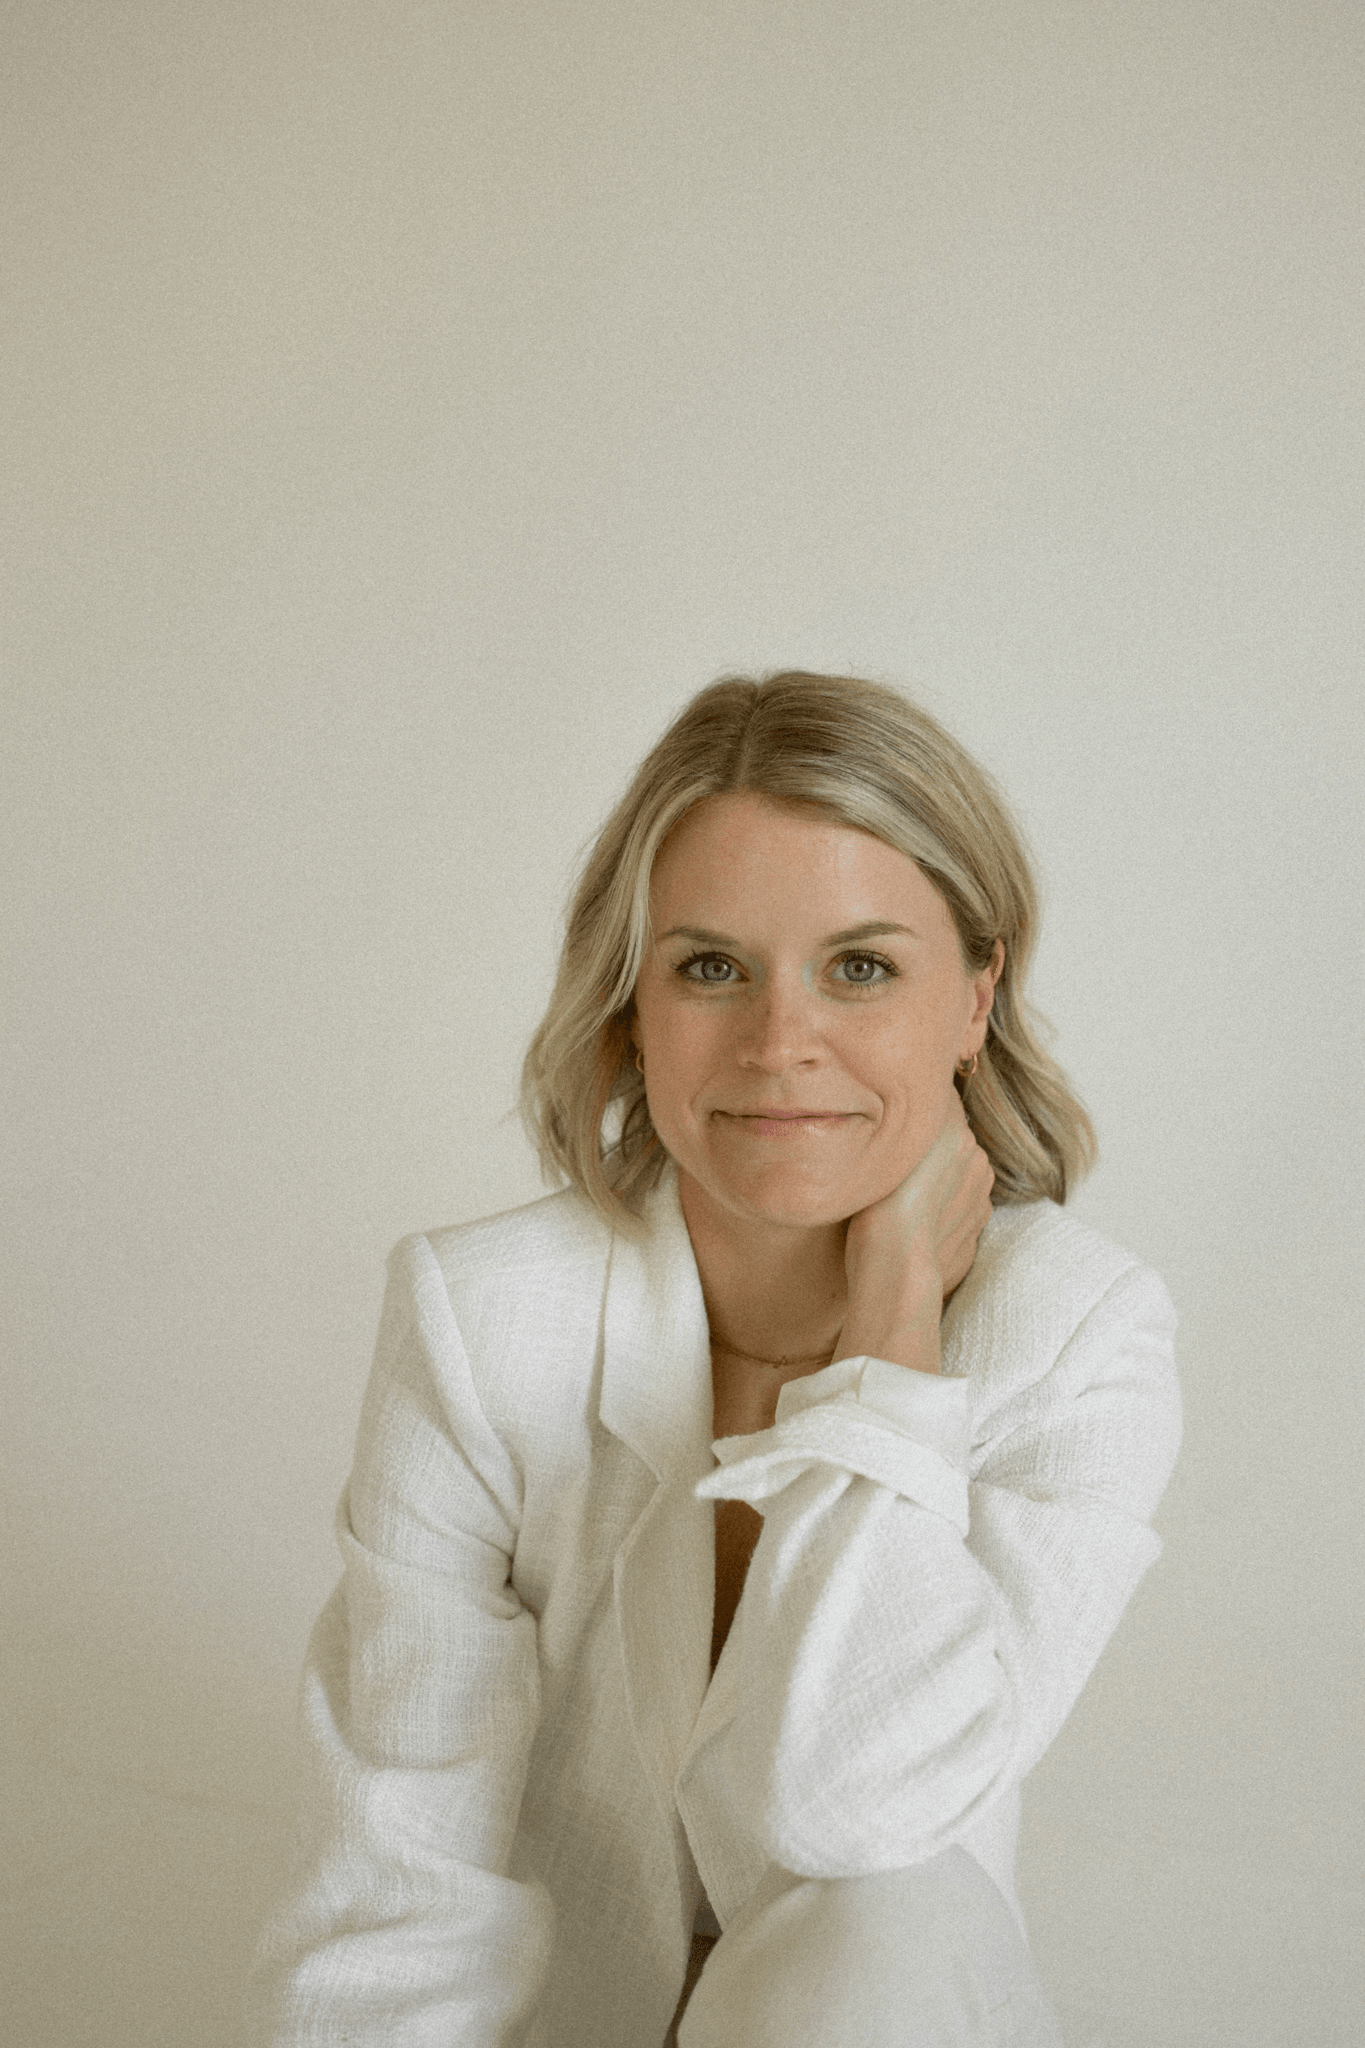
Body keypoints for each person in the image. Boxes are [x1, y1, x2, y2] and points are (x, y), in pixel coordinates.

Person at [251, 672, 1181, 2047]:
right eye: (710, 968)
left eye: (860, 967)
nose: (779, 1043)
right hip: (567, 2026)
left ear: (976, 996)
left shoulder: (1078, 1337)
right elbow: (404, 1872)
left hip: (883, 2020)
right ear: (631, 1002)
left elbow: (855, 1811)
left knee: (885, 1918)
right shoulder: (480, 1317)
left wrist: (890, 1339)